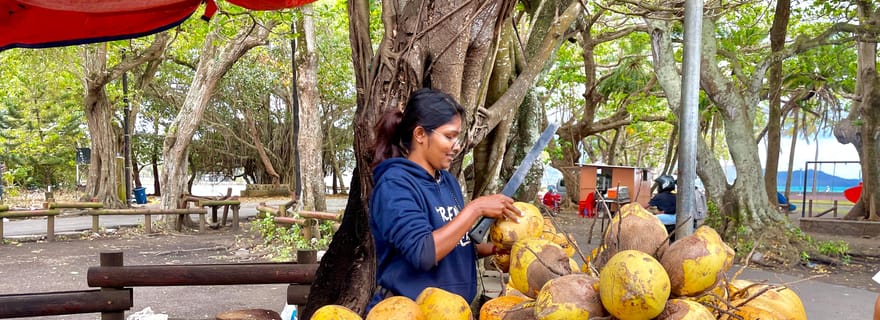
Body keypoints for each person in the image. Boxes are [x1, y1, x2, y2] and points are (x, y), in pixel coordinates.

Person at [367, 88, 522, 310]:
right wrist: (476, 208)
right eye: (449, 136)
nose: (456, 146)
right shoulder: (395, 185)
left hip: (452, 313)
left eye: (457, 137)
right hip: (407, 313)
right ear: (420, 134)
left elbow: (452, 245)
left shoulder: (447, 182)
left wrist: (495, 249)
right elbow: (423, 253)